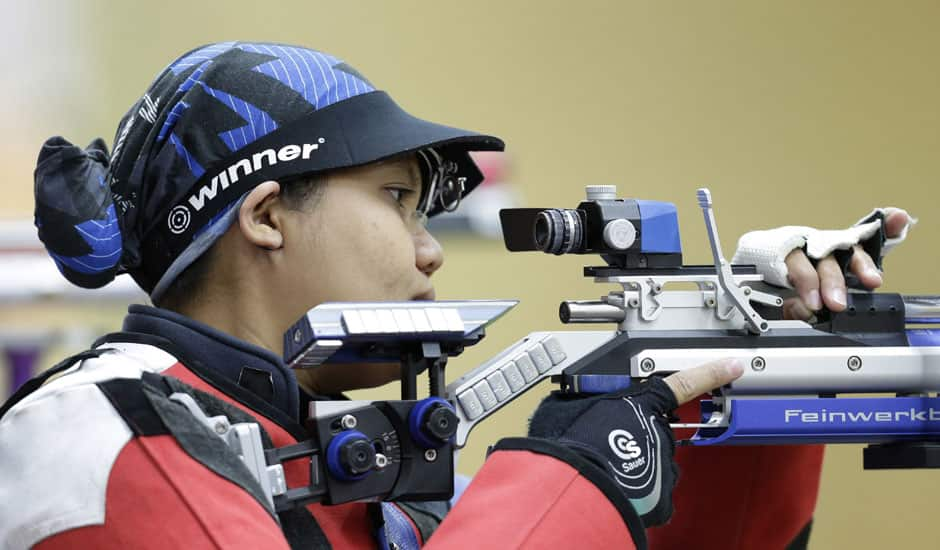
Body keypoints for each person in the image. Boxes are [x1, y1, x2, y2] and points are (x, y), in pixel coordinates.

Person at [0, 42, 911, 550]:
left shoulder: (368, 485)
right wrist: (568, 471)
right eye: (398, 199)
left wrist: (744, 369)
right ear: (268, 214)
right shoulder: (109, 431)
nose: (431, 251)